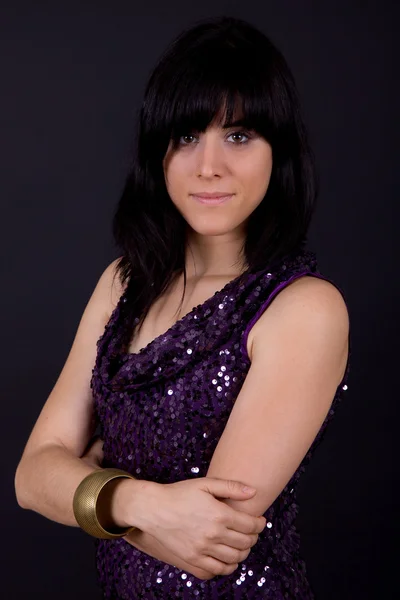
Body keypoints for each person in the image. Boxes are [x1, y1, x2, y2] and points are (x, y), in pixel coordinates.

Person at [15, 15, 351, 599]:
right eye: (187, 136)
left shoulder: (305, 309)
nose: (208, 166)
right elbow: (30, 475)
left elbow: (208, 539)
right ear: (158, 151)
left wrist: (89, 481)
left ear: (281, 151)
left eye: (239, 136)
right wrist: (143, 499)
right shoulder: (124, 282)